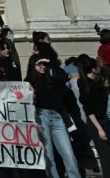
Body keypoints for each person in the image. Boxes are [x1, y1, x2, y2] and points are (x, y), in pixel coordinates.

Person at [28, 45, 82, 178]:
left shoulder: (53, 79)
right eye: (39, 64)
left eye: (43, 64)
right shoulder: (29, 82)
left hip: (57, 117)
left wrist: (50, 62)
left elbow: (64, 76)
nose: (42, 67)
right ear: (32, 66)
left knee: (69, 154)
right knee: (49, 156)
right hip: (41, 117)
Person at [77, 57, 110, 178]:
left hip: (105, 121)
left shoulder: (96, 82)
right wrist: (99, 129)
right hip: (96, 123)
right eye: (97, 66)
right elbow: (89, 111)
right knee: (108, 157)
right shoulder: (87, 85)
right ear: (93, 69)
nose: (100, 68)